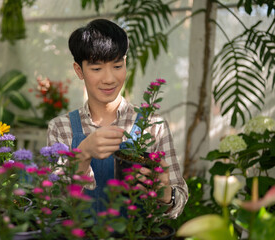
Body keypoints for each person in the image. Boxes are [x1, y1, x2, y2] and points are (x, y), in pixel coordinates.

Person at [47, 18, 188, 218]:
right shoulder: (61, 128)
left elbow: (178, 201)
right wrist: (83, 154)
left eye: (117, 65)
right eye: (96, 69)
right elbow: (53, 203)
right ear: (79, 71)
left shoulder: (154, 126)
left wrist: (164, 193)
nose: (109, 78)